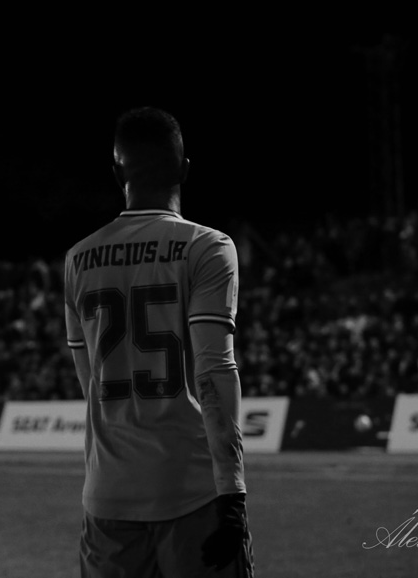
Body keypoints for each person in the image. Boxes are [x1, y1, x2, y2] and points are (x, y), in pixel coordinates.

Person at [64, 107, 253, 577]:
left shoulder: (77, 260)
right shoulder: (208, 247)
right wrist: (232, 491)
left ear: (117, 174)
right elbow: (214, 370)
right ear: (184, 170)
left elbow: (90, 386)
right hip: (190, 492)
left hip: (107, 499)